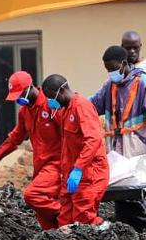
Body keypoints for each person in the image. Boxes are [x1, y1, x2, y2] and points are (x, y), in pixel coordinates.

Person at [90, 45, 146, 236]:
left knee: (137, 194)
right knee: (122, 197)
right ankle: (141, 230)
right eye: (107, 70)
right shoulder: (110, 85)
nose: (111, 73)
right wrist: (75, 103)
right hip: (116, 150)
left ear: (124, 64)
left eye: (113, 69)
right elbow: (93, 105)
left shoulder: (143, 82)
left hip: (137, 147)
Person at [0, 71, 62, 230]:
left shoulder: (51, 105)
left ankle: (68, 215)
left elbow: (69, 134)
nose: (18, 100)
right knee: (43, 216)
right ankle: (59, 236)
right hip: (40, 167)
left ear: (30, 87)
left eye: (20, 95)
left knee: (32, 195)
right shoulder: (25, 112)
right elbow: (14, 139)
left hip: (56, 165)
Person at [41, 75, 109, 226]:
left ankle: (107, 232)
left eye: (52, 97)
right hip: (71, 176)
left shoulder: (81, 106)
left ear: (62, 90)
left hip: (89, 174)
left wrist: (78, 169)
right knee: (64, 220)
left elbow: (93, 139)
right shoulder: (66, 109)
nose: (51, 101)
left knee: (84, 219)